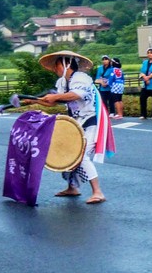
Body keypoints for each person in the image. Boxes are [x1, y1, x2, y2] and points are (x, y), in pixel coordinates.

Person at [26, 50, 106, 204]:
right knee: (68, 153)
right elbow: (57, 101)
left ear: (65, 64)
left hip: (90, 121)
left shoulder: (81, 78)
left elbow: (76, 95)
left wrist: (54, 97)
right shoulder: (64, 82)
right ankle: (73, 187)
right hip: (75, 122)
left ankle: (98, 191)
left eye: (56, 65)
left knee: (81, 157)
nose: (55, 69)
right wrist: (35, 101)